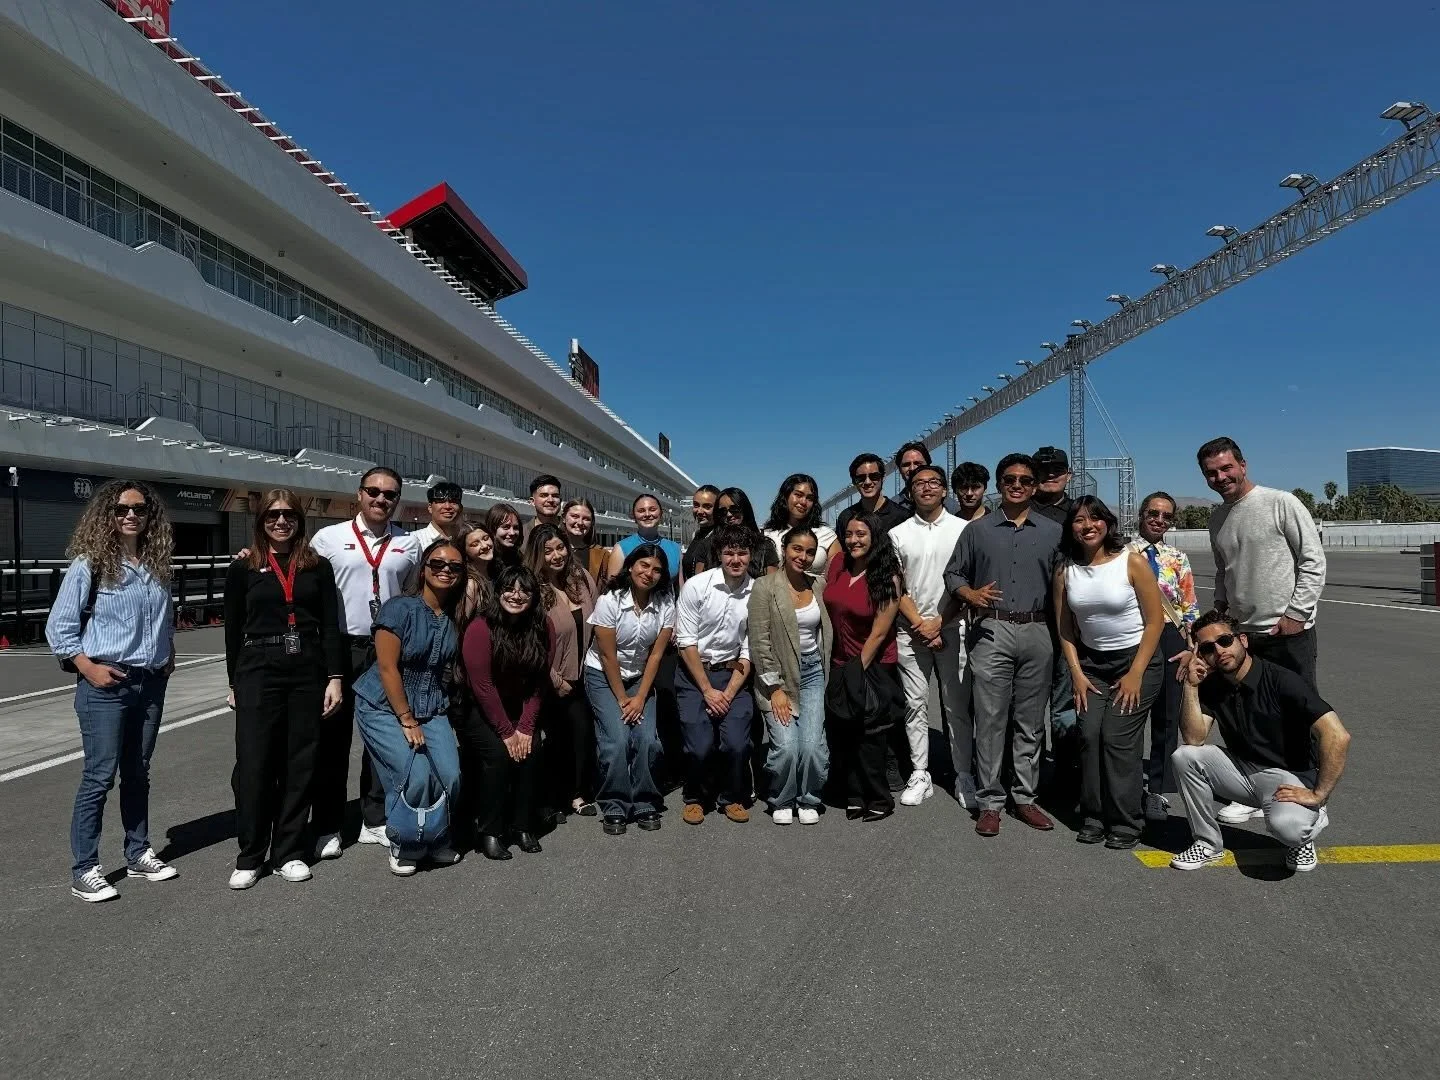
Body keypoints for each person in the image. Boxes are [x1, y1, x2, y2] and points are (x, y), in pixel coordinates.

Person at [47, 479, 178, 903]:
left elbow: (163, 618)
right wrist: (87, 667)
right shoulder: (91, 564)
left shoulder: (158, 564)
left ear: (149, 516)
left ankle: (138, 852)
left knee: (138, 773)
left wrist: (167, 652)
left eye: (139, 509)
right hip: (107, 684)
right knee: (99, 777)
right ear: (107, 514)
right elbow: (60, 628)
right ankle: (85, 868)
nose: (130, 516)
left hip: (149, 682)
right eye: (121, 509)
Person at [1198, 436, 1326, 825]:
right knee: (1243, 716)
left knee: (1298, 714)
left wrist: (1296, 614)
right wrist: (1219, 613)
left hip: (1286, 632)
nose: (1220, 477)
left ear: (1243, 465)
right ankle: (1254, 791)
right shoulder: (1217, 519)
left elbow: (1313, 559)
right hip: (1241, 636)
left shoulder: (1280, 503)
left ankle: (1311, 796)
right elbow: (1224, 571)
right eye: (1211, 473)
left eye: (1226, 468)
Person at [223, 489, 345, 889]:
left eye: (289, 515)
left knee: (300, 762)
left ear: (299, 520)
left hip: (306, 668)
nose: (281, 522)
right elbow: (232, 630)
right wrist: (233, 682)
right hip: (258, 667)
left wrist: (334, 677)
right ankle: (251, 853)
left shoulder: (317, 567)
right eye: (272, 515)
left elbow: (329, 625)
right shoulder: (243, 569)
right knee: (255, 763)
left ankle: (288, 851)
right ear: (260, 521)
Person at [1169, 611, 1351, 873]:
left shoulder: (1281, 680)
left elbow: (1337, 735)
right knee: (1184, 756)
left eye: (1225, 640)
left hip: (1289, 778)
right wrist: (1190, 686)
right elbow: (1194, 738)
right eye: (1208, 648)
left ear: (1242, 640)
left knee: (1289, 830)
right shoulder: (1213, 684)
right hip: (1244, 772)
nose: (1219, 651)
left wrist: (1319, 794)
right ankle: (1208, 843)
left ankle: (1308, 827)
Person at [944, 453, 1063, 837]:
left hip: (1037, 631)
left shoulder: (1052, 532)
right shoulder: (977, 531)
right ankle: (990, 801)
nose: (1017, 485)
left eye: (1025, 480)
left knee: (1030, 721)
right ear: (999, 484)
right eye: (1009, 479)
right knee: (991, 719)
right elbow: (953, 572)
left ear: (1033, 486)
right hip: (991, 632)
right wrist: (968, 593)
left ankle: (1025, 798)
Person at [310, 467, 422, 859]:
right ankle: (327, 824)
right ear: (359, 495)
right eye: (373, 491)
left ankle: (373, 819)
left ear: (398, 501)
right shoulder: (328, 538)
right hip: (341, 645)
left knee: (381, 740)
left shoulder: (409, 543)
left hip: (386, 649)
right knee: (333, 741)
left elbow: (413, 593)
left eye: (389, 494)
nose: (380, 499)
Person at [1054, 496, 1166, 849]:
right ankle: (1093, 815)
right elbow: (1065, 630)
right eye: (1079, 520)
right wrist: (1076, 672)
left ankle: (1126, 821)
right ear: (1070, 527)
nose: (1088, 525)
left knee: (1118, 738)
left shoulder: (1131, 562)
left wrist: (1135, 673)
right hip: (1091, 665)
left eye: (1095, 519)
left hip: (1137, 661)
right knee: (1088, 736)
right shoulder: (1065, 570)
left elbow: (1155, 622)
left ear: (1108, 523)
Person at [352, 539, 466, 875]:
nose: (446, 571)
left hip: (430, 705)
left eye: (455, 567)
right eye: (438, 564)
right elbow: (387, 668)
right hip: (383, 705)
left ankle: (437, 837)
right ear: (424, 568)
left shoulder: (453, 615)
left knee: (450, 774)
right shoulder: (399, 608)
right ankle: (406, 841)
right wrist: (405, 718)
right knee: (413, 775)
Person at [456, 565, 555, 859]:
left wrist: (525, 728)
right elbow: (482, 686)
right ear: (498, 592)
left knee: (531, 749)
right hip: (480, 710)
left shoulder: (542, 626)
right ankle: (490, 829)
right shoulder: (480, 627)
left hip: (521, 707)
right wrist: (507, 732)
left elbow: (540, 680)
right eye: (509, 588)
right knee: (499, 755)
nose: (516, 595)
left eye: (524, 590)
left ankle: (522, 825)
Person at [890, 464, 972, 808]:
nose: (926, 488)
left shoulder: (965, 529)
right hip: (911, 631)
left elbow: (968, 583)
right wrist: (921, 625)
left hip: (954, 627)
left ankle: (964, 774)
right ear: (910, 492)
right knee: (914, 705)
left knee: (957, 707)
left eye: (933, 483)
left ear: (944, 490)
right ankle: (920, 772)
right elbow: (896, 586)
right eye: (918, 483)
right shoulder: (897, 533)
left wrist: (940, 622)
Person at [585, 544, 676, 835]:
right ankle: (615, 803)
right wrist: (623, 699)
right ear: (631, 566)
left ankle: (646, 800)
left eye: (657, 569)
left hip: (639, 676)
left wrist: (639, 697)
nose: (649, 574)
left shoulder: (665, 604)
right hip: (602, 675)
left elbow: (656, 656)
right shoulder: (610, 601)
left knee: (648, 739)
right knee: (617, 740)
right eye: (644, 566)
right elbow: (608, 656)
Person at [749, 526, 832, 825]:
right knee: (786, 746)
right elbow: (759, 642)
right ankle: (782, 797)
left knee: (811, 746)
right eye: (797, 549)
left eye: (810, 551)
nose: (803, 556)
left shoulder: (818, 585)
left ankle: (808, 797)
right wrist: (775, 688)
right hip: (778, 676)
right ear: (784, 548)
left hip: (813, 673)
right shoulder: (765, 586)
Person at [824, 513, 904, 821]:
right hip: (838, 661)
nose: (854, 539)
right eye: (849, 534)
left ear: (875, 536)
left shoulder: (888, 574)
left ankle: (880, 799)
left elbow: (881, 631)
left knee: (870, 737)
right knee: (843, 734)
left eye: (861, 534)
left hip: (871, 666)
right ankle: (854, 794)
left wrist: (856, 669)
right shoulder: (838, 565)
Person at [674, 524, 756, 825]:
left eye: (742, 553)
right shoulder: (697, 586)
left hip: (734, 675)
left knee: (736, 743)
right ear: (719, 555)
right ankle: (695, 796)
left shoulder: (756, 592)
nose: (736, 560)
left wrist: (730, 692)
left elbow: (750, 648)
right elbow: (686, 641)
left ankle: (731, 796)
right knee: (699, 745)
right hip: (695, 675)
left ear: (751, 556)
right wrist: (708, 690)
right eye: (729, 553)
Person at [1129, 492, 1199, 823]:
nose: (1159, 519)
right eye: (1153, 513)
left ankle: (1158, 789)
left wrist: (1191, 645)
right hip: (1135, 634)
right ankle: (1127, 788)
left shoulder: (1177, 558)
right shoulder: (1122, 553)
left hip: (1171, 637)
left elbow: (1189, 606)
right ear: (1141, 514)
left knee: (1168, 715)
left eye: (1166, 516)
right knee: (1129, 712)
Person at [525, 523, 600, 821]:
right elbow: (530, 643)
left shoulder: (580, 578)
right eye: (548, 550)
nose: (556, 555)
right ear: (537, 554)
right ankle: (551, 798)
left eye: (560, 548)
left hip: (584, 675)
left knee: (581, 736)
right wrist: (555, 679)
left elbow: (601, 618)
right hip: (549, 681)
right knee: (553, 741)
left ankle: (577, 793)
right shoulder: (532, 587)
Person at [1029, 445, 1080, 808]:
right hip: (1030, 623)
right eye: (1042, 470)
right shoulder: (1020, 511)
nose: (1049, 475)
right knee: (1028, 710)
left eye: (1056, 470)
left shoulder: (1080, 513)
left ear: (1068, 474)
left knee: (1064, 711)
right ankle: (1026, 782)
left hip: (1070, 627)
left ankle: (1066, 780)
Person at [762, 473, 840, 577]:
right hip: (778, 592)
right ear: (785, 496)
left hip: (817, 592)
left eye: (810, 498)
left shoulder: (827, 535)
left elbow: (838, 577)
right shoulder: (766, 535)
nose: (803, 502)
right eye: (798, 495)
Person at [606, 494, 683, 585]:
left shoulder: (675, 548)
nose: (647, 514)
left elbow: (680, 587)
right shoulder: (621, 548)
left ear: (661, 514)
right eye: (641, 511)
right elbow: (612, 586)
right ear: (634, 516)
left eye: (652, 509)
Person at [836, 453, 912, 538]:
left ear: (883, 477)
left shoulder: (902, 517)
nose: (867, 482)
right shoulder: (846, 517)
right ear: (854, 482)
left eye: (874, 476)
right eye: (861, 478)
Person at [710, 488, 778, 577]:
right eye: (723, 511)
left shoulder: (764, 546)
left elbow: (772, 585)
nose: (729, 514)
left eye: (734, 509)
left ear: (745, 509)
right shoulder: (711, 545)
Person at [562, 497, 609, 584]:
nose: (580, 522)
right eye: (574, 516)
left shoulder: (602, 555)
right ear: (564, 518)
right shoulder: (551, 550)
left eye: (586, 519)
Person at [681, 484, 721, 579]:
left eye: (707, 506)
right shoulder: (697, 535)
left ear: (718, 508)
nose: (699, 511)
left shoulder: (722, 538)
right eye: (696, 505)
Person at [411, 480, 465, 549]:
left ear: (461, 508)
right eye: (441, 501)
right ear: (430, 507)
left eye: (453, 502)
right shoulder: (414, 540)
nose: (447, 506)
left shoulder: (466, 542)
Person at [460, 520, 496, 619]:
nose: (484, 546)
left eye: (486, 538)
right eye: (475, 544)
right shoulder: (471, 584)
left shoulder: (493, 572)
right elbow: (462, 624)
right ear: (465, 551)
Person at [892, 441, 932, 518]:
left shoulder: (948, 505)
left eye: (917, 463)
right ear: (899, 470)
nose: (912, 468)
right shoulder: (892, 507)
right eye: (906, 465)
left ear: (929, 466)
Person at [485, 502, 525, 571]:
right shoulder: (485, 560)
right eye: (506, 527)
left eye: (515, 528)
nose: (512, 533)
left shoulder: (518, 558)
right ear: (492, 529)